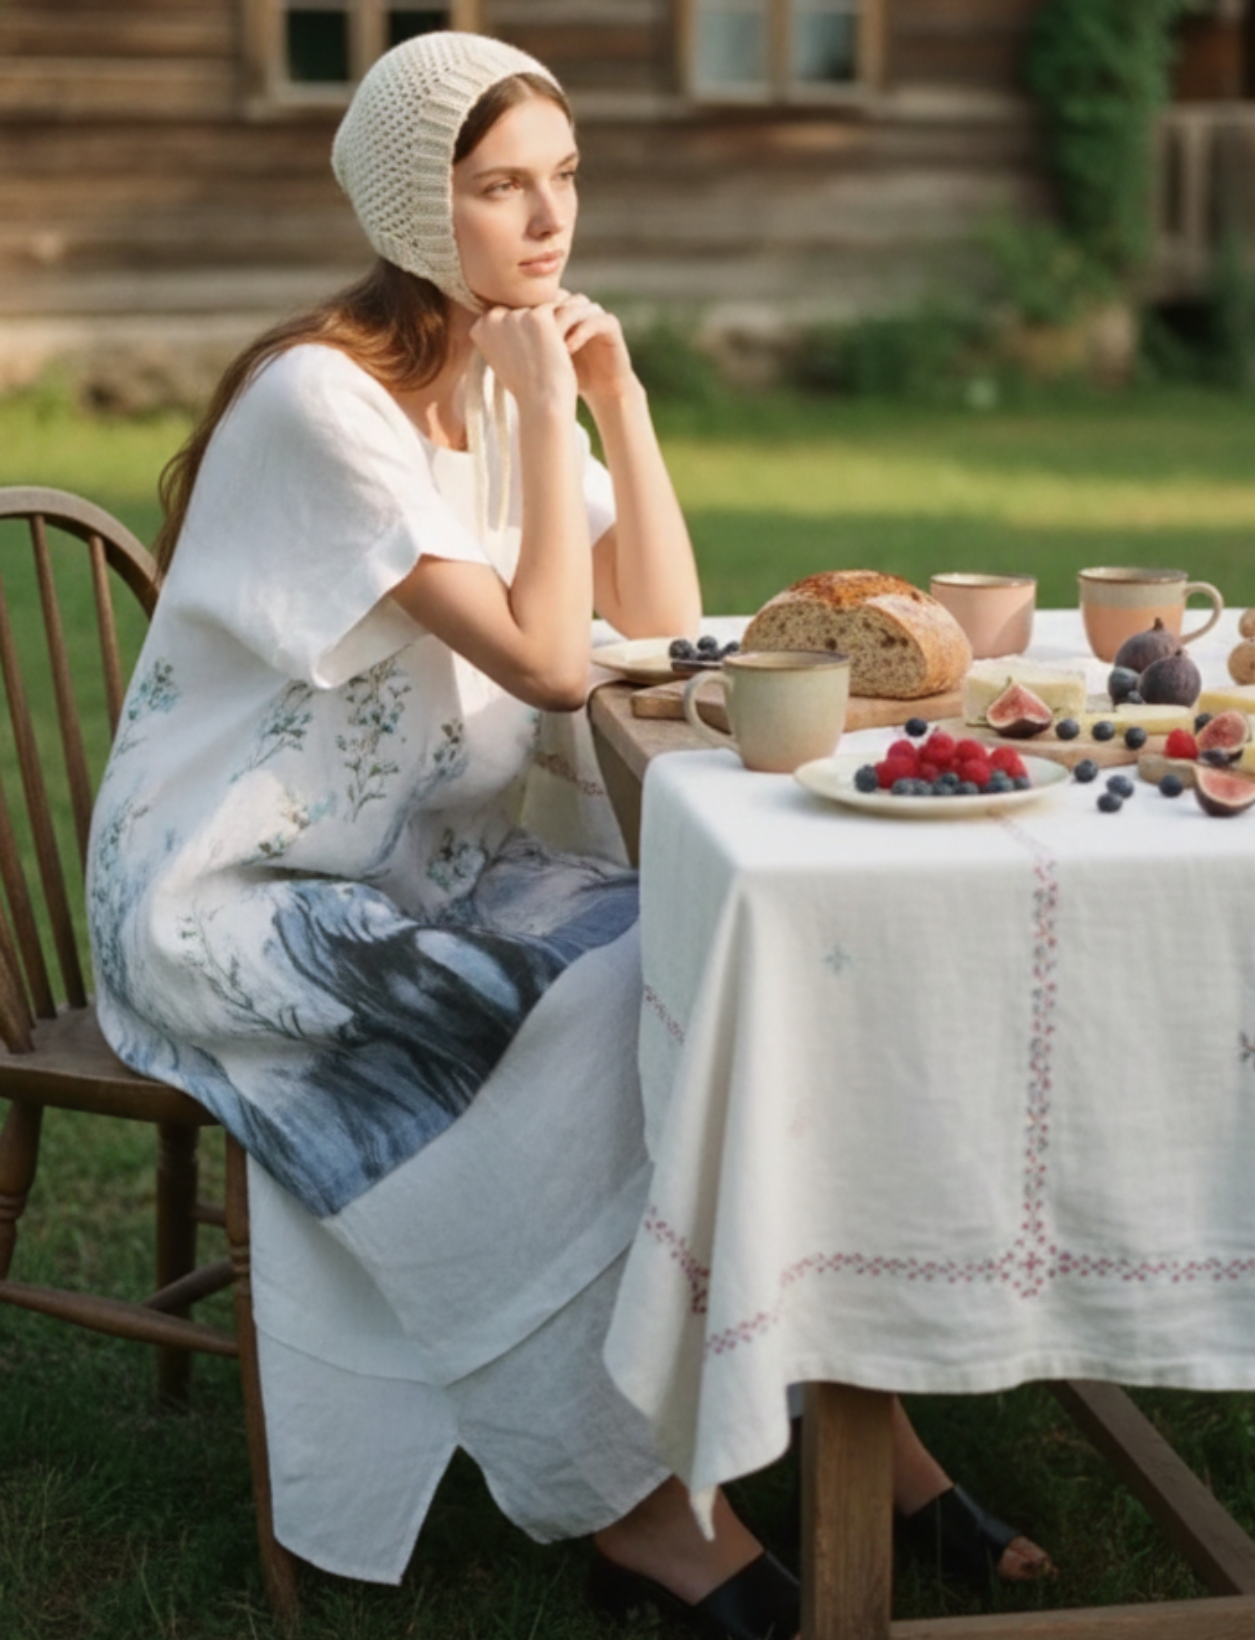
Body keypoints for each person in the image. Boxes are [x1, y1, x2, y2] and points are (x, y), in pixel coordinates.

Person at [84, 30, 1050, 1637]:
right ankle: (647, 1509)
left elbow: (662, 625)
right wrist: (541, 404)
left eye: (565, 179)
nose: (548, 222)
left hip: (423, 865)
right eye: (498, 189)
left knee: (719, 960)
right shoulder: (327, 402)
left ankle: (838, 1412)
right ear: (414, 208)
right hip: (236, 903)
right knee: (612, 1012)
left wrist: (612, 395)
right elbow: (546, 659)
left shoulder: (505, 377)